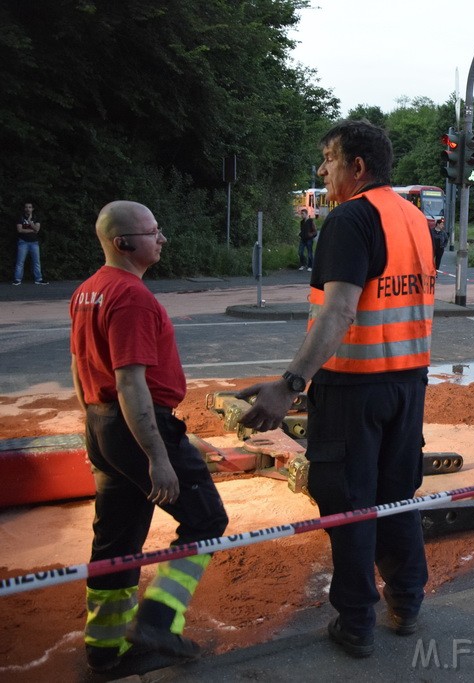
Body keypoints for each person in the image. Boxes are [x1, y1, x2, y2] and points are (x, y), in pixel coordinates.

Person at [238, 120, 434, 659]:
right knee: (396, 497)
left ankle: (355, 624)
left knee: (349, 503)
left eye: (327, 160)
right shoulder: (413, 219)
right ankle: (407, 603)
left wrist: (289, 383)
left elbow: (341, 310)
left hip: (355, 393)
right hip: (407, 386)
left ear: (357, 168)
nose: (322, 171)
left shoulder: (351, 217)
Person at [70, 201, 229, 673]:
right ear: (123, 243)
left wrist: (94, 430)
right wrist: (156, 457)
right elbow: (131, 381)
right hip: (139, 426)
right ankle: (158, 621)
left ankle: (104, 649)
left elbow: (78, 368)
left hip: (104, 425)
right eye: (152, 231)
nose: (161, 238)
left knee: (116, 539)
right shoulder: (132, 296)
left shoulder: (87, 291)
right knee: (205, 520)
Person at [13, 201, 47, 285]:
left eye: (29, 207)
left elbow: (37, 229)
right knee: (20, 262)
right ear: (24, 209)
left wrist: (29, 221)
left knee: (36, 262)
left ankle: (38, 279)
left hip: (34, 243)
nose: (28, 209)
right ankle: (17, 279)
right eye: (26, 207)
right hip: (23, 242)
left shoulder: (36, 218)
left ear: (32, 209)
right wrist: (32, 230)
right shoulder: (20, 218)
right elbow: (20, 230)